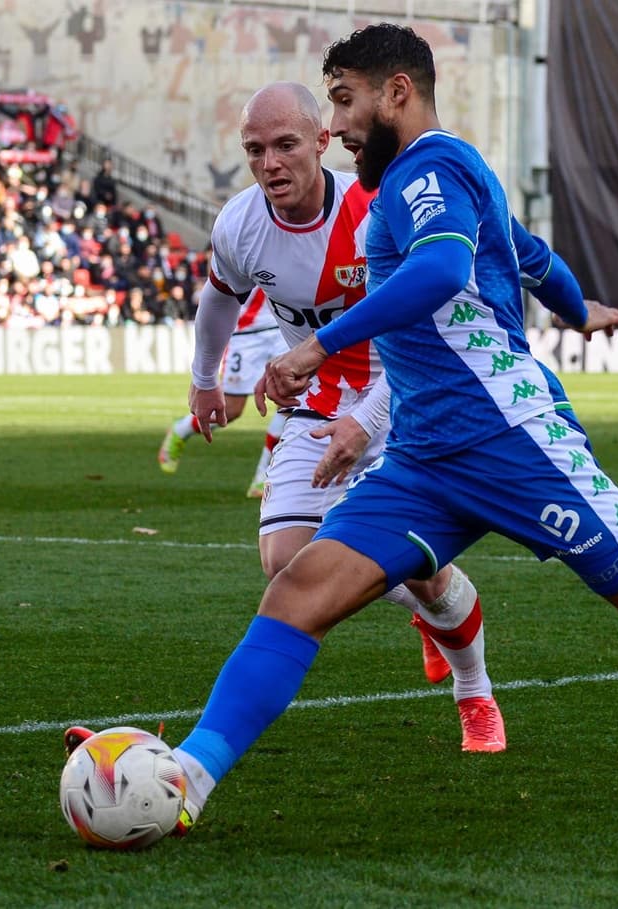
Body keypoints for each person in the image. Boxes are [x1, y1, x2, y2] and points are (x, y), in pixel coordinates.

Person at [89, 24, 618, 838]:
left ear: (397, 91)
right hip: (425, 456)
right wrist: (580, 309)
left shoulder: (430, 169)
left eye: (343, 101)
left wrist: (317, 344)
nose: (334, 127)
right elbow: (530, 256)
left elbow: (442, 270)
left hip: (509, 438)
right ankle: (188, 774)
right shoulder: (429, 176)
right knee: (299, 589)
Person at [140, 82, 503, 741]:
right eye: (255, 150)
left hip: (408, 396)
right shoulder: (241, 224)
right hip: (317, 402)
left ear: (321, 142)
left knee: (415, 558)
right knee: (285, 562)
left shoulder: (375, 210)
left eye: (285, 146)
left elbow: (429, 322)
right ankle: (422, 598)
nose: (270, 163)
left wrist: (367, 421)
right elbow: (219, 300)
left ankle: (474, 690)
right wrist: (203, 380)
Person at [155, 287, 289, 499]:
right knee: (232, 409)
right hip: (246, 335)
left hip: (283, 327)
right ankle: (181, 430)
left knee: (291, 401)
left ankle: (264, 476)